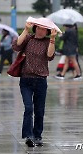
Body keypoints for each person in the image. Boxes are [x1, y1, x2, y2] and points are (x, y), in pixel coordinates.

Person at [12, 18, 58, 147]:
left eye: (44, 29)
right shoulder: (28, 39)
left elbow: (50, 56)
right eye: (39, 28)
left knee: (39, 110)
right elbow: (16, 45)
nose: (41, 31)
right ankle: (28, 135)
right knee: (28, 108)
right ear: (35, 28)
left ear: (47, 31)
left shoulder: (49, 41)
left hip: (41, 80)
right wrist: (26, 30)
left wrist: (53, 39)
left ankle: (37, 135)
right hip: (26, 79)